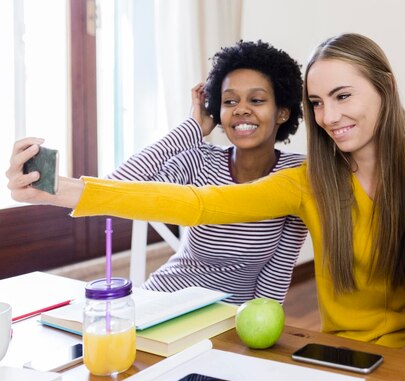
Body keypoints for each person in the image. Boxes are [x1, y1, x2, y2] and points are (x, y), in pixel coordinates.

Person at [8, 33, 405, 381]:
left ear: (385, 85)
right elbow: (198, 204)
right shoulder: (309, 181)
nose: (329, 117)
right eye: (318, 102)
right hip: (333, 361)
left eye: (343, 96)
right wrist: (58, 189)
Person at [109, 40, 308, 305]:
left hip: (228, 320)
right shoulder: (201, 160)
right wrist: (193, 128)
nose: (241, 109)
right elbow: (115, 189)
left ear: (282, 112)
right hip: (162, 303)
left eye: (257, 100)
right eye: (229, 101)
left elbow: (275, 276)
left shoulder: (296, 174)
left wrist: (255, 332)